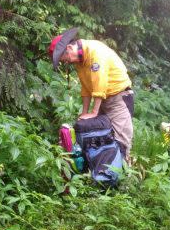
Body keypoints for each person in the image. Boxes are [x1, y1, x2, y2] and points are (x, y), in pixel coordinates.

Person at [48, 28, 134, 160]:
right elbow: (86, 88)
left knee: (120, 140)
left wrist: (93, 113)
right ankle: (99, 173)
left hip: (118, 99)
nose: (65, 62)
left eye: (63, 58)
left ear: (70, 47)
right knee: (99, 138)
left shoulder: (95, 52)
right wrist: (84, 113)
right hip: (103, 100)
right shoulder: (79, 61)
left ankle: (124, 174)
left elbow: (100, 83)